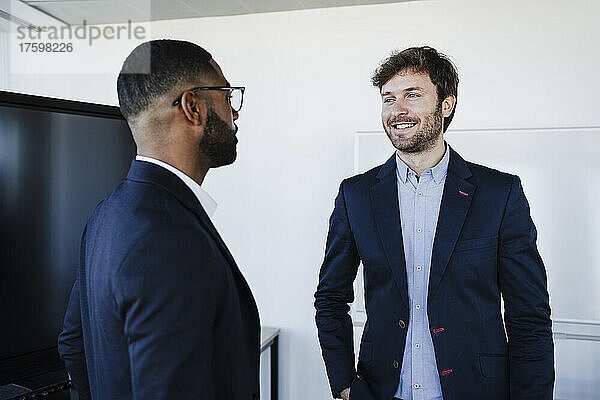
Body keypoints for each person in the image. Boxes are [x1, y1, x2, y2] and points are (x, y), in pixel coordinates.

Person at [314, 46, 554, 400]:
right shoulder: (356, 195)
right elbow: (331, 298)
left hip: (476, 390)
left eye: (413, 95)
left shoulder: (499, 194)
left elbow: (529, 316)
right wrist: (346, 385)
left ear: (446, 105)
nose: (398, 110)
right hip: (381, 391)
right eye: (389, 98)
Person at [57, 39, 260, 400]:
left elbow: (74, 343)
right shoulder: (169, 238)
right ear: (193, 107)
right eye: (228, 97)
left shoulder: (106, 214)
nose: (235, 113)